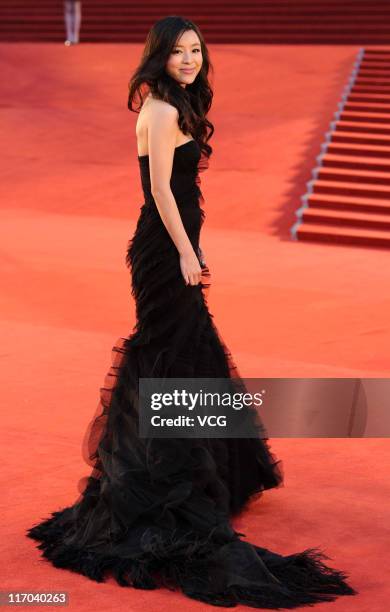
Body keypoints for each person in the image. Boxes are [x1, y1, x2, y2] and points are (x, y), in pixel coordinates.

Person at [26, 16, 358, 608]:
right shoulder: (156, 110)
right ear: (158, 56)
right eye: (178, 51)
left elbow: (182, 196)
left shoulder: (175, 102)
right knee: (172, 355)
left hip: (176, 246)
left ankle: (211, 470)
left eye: (196, 50)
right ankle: (159, 480)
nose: (189, 59)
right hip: (160, 252)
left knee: (192, 352)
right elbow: (159, 192)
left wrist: (195, 246)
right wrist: (184, 251)